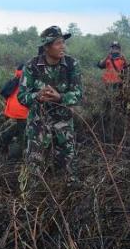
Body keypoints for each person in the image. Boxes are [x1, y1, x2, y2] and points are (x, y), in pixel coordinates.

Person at [17, 26, 84, 194]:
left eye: (63, 43)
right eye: (58, 43)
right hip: (38, 121)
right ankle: (31, 201)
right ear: (47, 47)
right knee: (34, 163)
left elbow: (79, 94)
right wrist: (37, 96)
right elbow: (22, 97)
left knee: (69, 165)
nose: (63, 47)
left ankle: (71, 199)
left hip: (63, 121)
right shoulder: (32, 66)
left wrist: (60, 97)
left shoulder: (71, 64)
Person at [0, 63, 28, 160]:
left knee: (16, 130)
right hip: (23, 113)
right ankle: (14, 158)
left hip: (11, 111)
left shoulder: (16, 78)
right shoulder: (28, 79)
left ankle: (3, 138)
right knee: (22, 137)